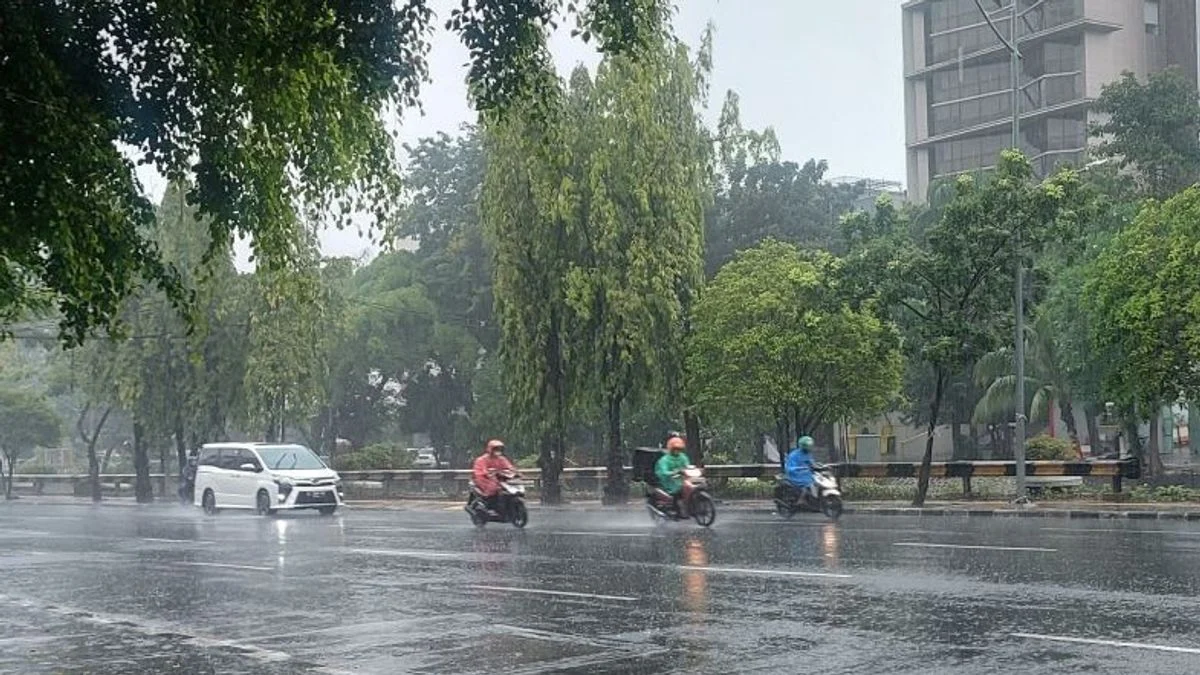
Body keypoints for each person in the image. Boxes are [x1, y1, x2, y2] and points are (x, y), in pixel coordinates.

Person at [472, 439, 516, 514]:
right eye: (495, 449)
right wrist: (489, 473)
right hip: (483, 479)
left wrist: (514, 472)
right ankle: (489, 503)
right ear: (490, 449)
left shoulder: (501, 459)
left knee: (506, 488)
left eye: (499, 449)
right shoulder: (482, 459)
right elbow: (484, 470)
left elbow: (509, 466)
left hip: (497, 478)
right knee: (493, 488)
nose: (498, 451)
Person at [655, 436, 691, 514]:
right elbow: (663, 472)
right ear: (671, 449)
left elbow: (687, 466)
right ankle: (679, 508)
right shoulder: (664, 460)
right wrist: (674, 473)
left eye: (679, 449)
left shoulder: (683, 457)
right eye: (675, 449)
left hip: (681, 479)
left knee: (689, 486)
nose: (677, 451)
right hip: (669, 481)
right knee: (680, 489)